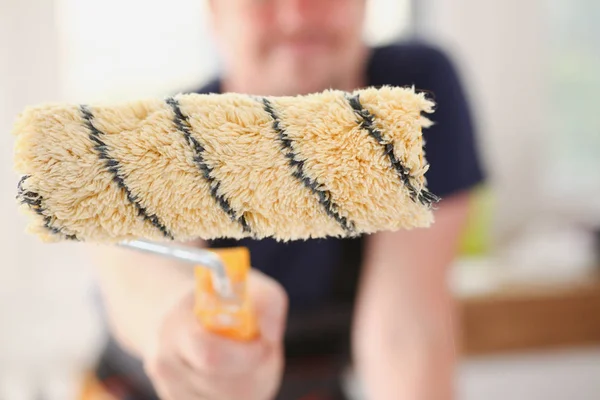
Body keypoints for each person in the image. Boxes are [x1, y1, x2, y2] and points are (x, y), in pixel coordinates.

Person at [89, 0, 484, 399]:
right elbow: (135, 274)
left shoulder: (413, 94)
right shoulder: (164, 140)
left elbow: (404, 329)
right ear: (215, 12)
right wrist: (180, 324)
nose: (297, 16)